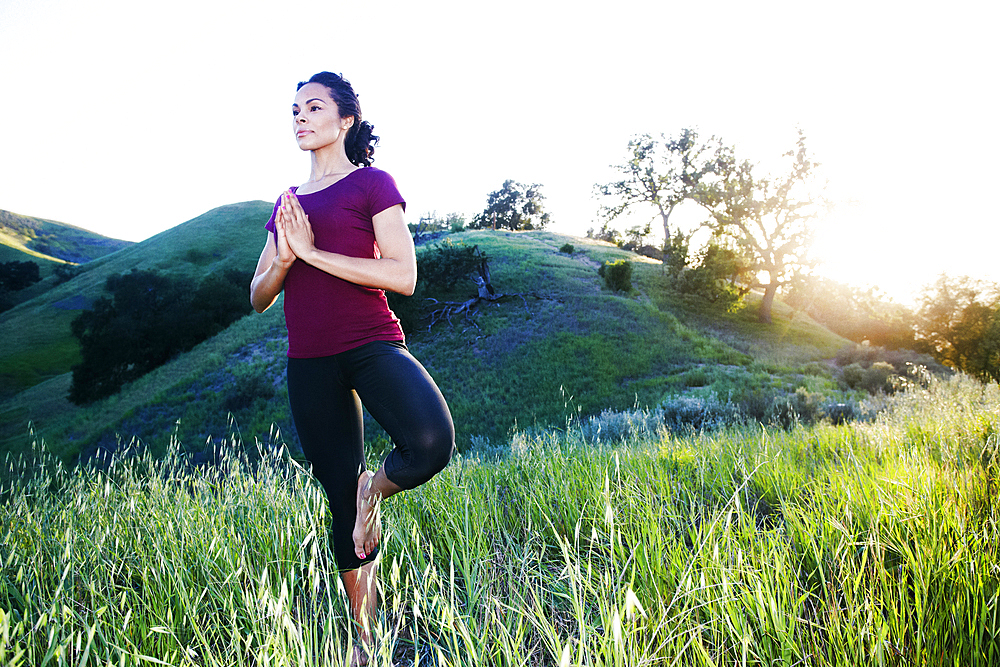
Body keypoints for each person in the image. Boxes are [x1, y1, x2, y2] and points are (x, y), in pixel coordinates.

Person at [250, 71, 455, 665]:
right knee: (340, 496)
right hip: (308, 362)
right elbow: (258, 295)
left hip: (370, 342)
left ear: (345, 121)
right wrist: (286, 258)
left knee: (430, 441)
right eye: (293, 110)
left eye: (313, 107)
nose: (299, 117)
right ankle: (365, 641)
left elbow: (403, 275)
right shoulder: (287, 204)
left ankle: (378, 486)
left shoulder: (372, 184)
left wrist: (313, 252)